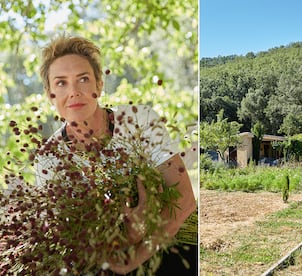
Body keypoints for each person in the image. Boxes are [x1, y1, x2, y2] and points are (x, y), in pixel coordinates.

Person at [35, 35, 197, 275]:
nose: (74, 92)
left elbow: (184, 201)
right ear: (50, 95)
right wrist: (127, 237)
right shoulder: (49, 159)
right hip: (107, 263)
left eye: (83, 79)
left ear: (99, 85)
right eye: (61, 83)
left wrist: (136, 255)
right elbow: (67, 242)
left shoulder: (138, 120)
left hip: (175, 247)